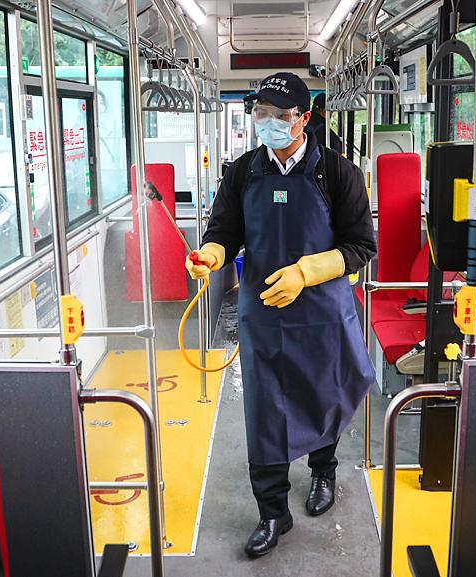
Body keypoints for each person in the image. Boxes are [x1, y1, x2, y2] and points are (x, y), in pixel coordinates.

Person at [186, 72, 376, 557]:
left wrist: (305, 272)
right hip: (265, 314)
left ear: (304, 119)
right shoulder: (242, 172)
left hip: (322, 312)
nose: (268, 122)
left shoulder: (337, 173)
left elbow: (360, 246)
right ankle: (272, 511)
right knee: (265, 410)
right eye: (260, 113)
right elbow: (224, 230)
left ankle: (323, 472)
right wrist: (211, 254)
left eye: (280, 115)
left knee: (323, 394)